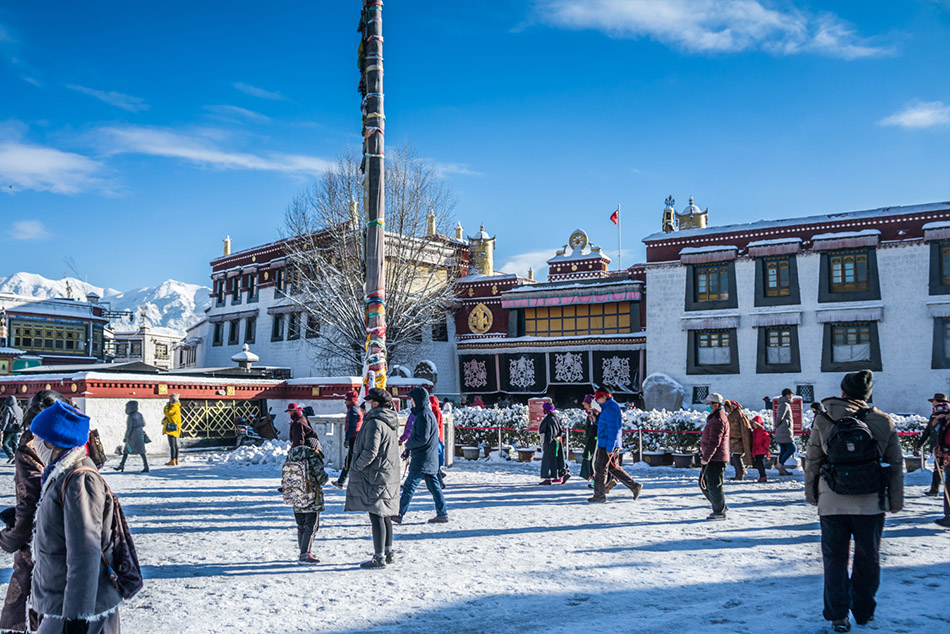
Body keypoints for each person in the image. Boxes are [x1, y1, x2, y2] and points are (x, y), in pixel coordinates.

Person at [805, 370, 904, 631]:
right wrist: (894, 500)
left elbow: (813, 461)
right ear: (868, 394)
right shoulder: (883, 420)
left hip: (832, 501)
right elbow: (894, 464)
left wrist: (812, 495)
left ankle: (838, 615)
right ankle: (863, 611)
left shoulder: (823, 419)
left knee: (834, 559)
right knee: (867, 558)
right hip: (871, 501)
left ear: (842, 392)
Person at [30, 400, 124, 633]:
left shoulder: (79, 479)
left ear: (52, 442)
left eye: (37, 439)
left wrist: (76, 618)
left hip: (77, 608)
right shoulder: (60, 473)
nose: (34, 445)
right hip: (60, 600)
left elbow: (85, 549)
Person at [0, 390, 65, 634]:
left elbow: (31, 504)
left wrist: (9, 537)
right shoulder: (78, 438)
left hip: (43, 542)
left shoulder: (30, 447)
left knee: (35, 610)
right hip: (78, 538)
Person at [344, 387, 401, 569]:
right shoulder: (389, 421)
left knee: (376, 515)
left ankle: (379, 557)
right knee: (384, 514)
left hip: (376, 475)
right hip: (387, 473)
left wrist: (355, 466)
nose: (367, 405)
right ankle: (388, 552)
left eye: (369, 402)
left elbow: (370, 452)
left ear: (376, 403)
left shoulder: (376, 422)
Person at [395, 387, 448, 524]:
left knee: (409, 486)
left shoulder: (423, 415)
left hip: (422, 458)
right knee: (434, 487)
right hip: (429, 457)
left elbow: (422, 438)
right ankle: (442, 513)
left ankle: (399, 514)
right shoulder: (426, 413)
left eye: (412, 399)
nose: (411, 402)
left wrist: (409, 444)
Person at [284, 417, 328, 563]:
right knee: (311, 525)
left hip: (295, 494)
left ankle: (302, 551)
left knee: (301, 525)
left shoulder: (291, 455)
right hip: (312, 495)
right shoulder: (312, 456)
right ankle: (305, 553)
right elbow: (321, 477)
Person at [588, 390, 642, 503]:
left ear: (604, 397)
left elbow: (614, 430)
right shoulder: (608, 407)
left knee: (600, 470)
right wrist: (596, 420)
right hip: (609, 443)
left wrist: (609, 448)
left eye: (598, 398)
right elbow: (606, 424)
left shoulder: (611, 408)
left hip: (607, 444)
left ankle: (599, 496)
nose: (597, 400)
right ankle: (634, 486)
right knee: (613, 468)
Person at [700, 393, 730, 521]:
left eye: (709, 404)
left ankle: (719, 511)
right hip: (715, 457)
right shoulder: (714, 417)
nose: (707, 406)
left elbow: (714, 442)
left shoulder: (718, 420)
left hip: (716, 458)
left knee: (713, 485)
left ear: (715, 404)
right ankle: (720, 505)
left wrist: (706, 458)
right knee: (704, 483)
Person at [917, 393, 948, 497]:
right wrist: (919, 444)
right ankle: (934, 489)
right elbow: (927, 431)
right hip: (937, 447)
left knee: (942, 468)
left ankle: (938, 489)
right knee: (938, 468)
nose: (933, 404)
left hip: (945, 447)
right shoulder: (933, 416)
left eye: (934, 402)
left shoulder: (946, 416)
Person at [333, 391, 363, 489]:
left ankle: (342, 481)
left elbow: (352, 426)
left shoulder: (352, 410)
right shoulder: (358, 408)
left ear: (350, 401)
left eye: (346, 400)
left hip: (353, 437)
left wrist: (347, 439)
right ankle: (342, 480)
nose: (345, 402)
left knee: (349, 460)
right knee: (352, 459)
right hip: (358, 437)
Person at [538, 402, 569, 485]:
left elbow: (551, 432)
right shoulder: (554, 418)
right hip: (555, 442)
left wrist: (546, 441)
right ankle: (565, 473)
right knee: (558, 459)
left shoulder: (550, 419)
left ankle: (547, 478)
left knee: (547, 461)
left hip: (550, 442)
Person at [113, 400, 148, 473]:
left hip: (132, 436)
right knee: (141, 451)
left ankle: (121, 465)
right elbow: (144, 424)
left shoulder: (130, 416)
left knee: (126, 450)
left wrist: (126, 437)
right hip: (140, 434)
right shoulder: (140, 414)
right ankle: (146, 466)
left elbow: (129, 428)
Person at [725, 400, 753, 481]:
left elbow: (745, 430)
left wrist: (746, 441)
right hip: (733, 440)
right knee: (735, 457)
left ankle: (740, 473)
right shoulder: (731, 415)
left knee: (736, 457)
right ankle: (739, 473)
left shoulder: (739, 415)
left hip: (738, 440)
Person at [774, 388, 796, 476]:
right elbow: (780, 416)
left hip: (782, 430)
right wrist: (777, 424)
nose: (792, 397)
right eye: (791, 395)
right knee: (792, 448)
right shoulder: (785, 405)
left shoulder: (782, 404)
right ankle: (780, 464)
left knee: (783, 449)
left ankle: (781, 469)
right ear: (788, 395)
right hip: (785, 430)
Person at [579, 395, 600, 484]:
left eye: (586, 404)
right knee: (590, 460)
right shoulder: (590, 414)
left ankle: (595, 482)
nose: (584, 406)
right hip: (591, 440)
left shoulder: (596, 414)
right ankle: (593, 481)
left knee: (594, 461)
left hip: (595, 440)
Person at [429, 394, 446, 488]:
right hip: (438, 438)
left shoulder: (435, 412)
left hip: (436, 439)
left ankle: (439, 481)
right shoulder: (436, 411)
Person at [1, 396, 23, 463]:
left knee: (4, 443)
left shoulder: (8, 408)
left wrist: (2, 429)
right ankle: (16, 458)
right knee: (15, 444)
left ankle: (11, 455)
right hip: (16, 429)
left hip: (9, 430)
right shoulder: (20, 409)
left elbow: (5, 420)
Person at [749, 415, 771, 483]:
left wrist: (765, 447)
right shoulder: (755, 431)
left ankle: (763, 476)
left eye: (755, 424)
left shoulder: (761, 431)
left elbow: (767, 439)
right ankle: (762, 476)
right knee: (758, 463)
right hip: (757, 450)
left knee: (759, 463)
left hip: (760, 450)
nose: (754, 425)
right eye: (753, 424)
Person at [162, 393, 182, 466]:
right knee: (175, 445)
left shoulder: (173, 407)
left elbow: (167, 413)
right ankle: (176, 459)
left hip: (171, 427)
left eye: (170, 399)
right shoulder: (177, 406)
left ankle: (172, 460)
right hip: (175, 427)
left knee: (172, 445)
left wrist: (167, 406)